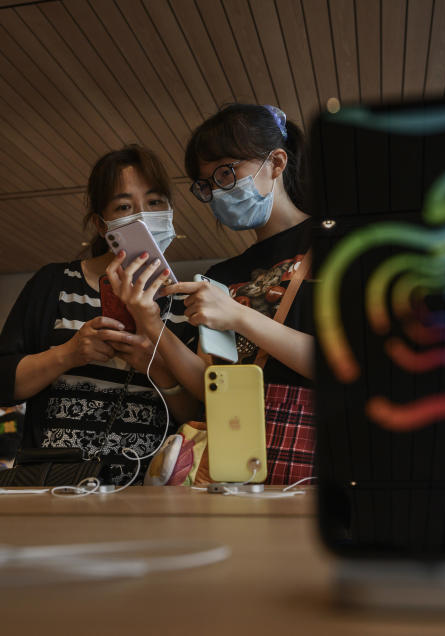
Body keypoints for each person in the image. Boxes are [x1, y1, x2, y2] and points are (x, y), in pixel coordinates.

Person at [107, 104, 315, 484]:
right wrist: (152, 324)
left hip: (311, 456)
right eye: (207, 184)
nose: (218, 191)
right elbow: (210, 384)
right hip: (235, 457)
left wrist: (237, 315)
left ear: (277, 162)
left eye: (226, 172)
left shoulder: (335, 242)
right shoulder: (223, 275)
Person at [0, 145, 199, 485]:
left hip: (149, 490)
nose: (143, 217)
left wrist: (155, 367)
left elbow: (199, 416)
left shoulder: (188, 303)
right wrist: (69, 353)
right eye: (125, 206)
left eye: (155, 202)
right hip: (55, 483)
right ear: (102, 224)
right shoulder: (54, 283)